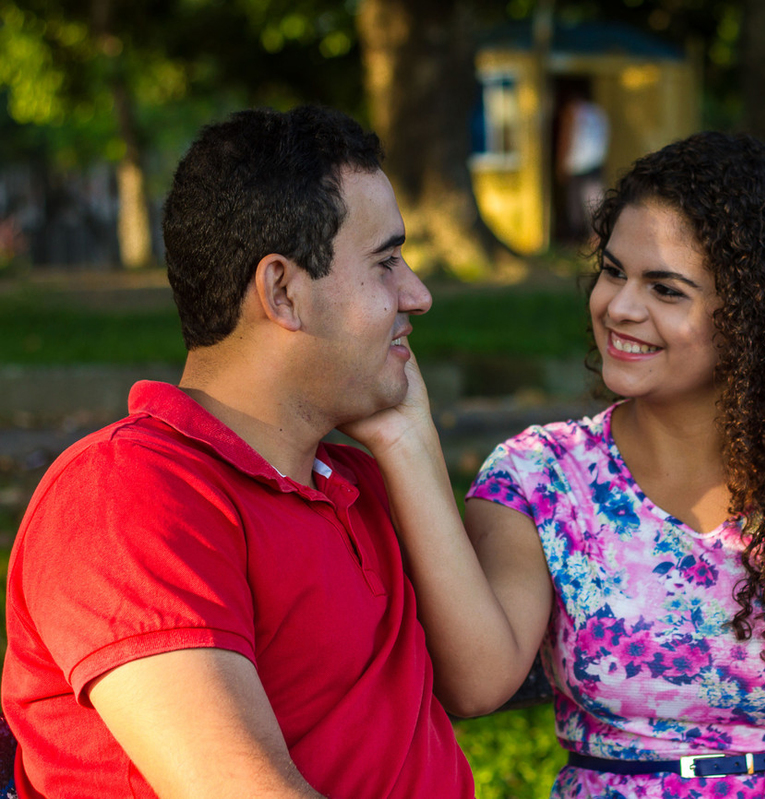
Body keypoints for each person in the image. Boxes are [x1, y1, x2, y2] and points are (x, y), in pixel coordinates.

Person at [354, 131, 765, 798]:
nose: (619, 307)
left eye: (665, 289)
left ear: (752, 318)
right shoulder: (539, 477)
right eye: (614, 272)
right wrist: (408, 441)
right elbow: (476, 684)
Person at [1, 106, 474, 798]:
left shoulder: (357, 483)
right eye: (385, 262)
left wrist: (407, 436)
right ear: (282, 291)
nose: (419, 295)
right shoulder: (127, 494)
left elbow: (482, 678)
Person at [556, 87, 609, 243]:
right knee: (595, 202)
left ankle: (579, 238)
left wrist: (561, 163)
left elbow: (566, 139)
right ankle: (596, 236)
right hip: (596, 164)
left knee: (576, 205)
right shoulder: (598, 112)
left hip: (577, 165)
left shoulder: (572, 112)